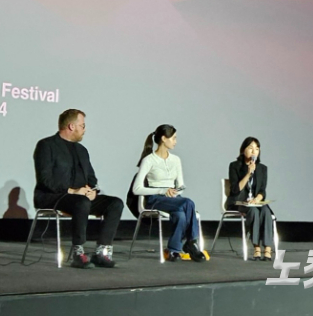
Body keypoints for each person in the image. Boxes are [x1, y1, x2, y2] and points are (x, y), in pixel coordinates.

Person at [33, 109, 124, 269]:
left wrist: (92, 190)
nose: (85, 129)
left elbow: (91, 178)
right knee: (81, 202)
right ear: (71, 126)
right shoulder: (46, 145)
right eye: (82, 125)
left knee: (115, 203)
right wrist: (72, 191)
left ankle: (101, 252)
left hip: (81, 197)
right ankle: (78, 252)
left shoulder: (81, 150)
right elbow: (45, 180)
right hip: (53, 196)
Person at [132, 124, 206, 262]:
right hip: (155, 198)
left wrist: (175, 191)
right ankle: (191, 242)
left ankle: (173, 250)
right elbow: (136, 189)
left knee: (181, 216)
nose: (175, 141)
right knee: (188, 203)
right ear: (163, 139)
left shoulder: (176, 160)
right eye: (173, 138)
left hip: (174, 198)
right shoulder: (149, 160)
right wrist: (162, 190)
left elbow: (181, 185)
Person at [227, 136, 274, 261]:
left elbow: (262, 190)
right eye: (251, 148)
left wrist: (258, 198)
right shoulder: (234, 166)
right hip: (239, 202)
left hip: (255, 203)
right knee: (253, 211)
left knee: (265, 210)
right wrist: (248, 173)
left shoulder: (262, 168)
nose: (254, 152)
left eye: (257, 149)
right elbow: (235, 189)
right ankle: (257, 247)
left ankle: (268, 248)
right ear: (243, 150)